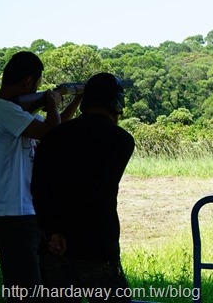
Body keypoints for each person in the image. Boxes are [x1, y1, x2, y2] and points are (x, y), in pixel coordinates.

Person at [0, 51, 82, 300]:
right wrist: (51, 102)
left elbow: (57, 129)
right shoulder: (1, 110)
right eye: (37, 85)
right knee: (26, 295)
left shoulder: (13, 112)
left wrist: (74, 100)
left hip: (27, 216)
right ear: (28, 83)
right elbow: (50, 131)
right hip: (14, 219)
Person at [31, 72, 135, 302]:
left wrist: (53, 230)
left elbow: (39, 187)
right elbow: (96, 189)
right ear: (116, 103)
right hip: (97, 242)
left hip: (54, 245)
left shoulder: (54, 136)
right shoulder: (122, 141)